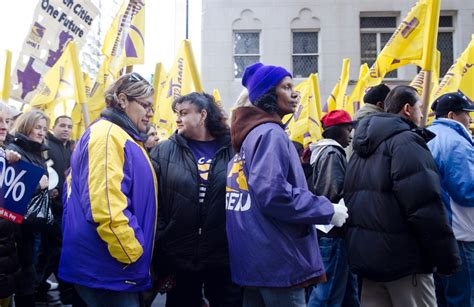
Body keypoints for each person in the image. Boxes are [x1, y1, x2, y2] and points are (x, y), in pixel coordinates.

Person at [226, 62, 348, 307]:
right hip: (278, 260)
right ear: (268, 94)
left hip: (256, 259)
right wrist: (327, 210)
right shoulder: (270, 133)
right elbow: (274, 195)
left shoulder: (250, 136)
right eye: (286, 87)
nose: (295, 93)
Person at [344, 85, 461, 307]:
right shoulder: (406, 141)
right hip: (406, 263)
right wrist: (447, 258)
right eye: (419, 107)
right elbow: (424, 206)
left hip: (370, 261)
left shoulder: (361, 148)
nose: (422, 113)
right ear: (407, 109)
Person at [58, 73, 158, 307]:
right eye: (146, 105)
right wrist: (133, 253)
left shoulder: (119, 136)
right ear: (123, 100)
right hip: (109, 266)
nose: (151, 113)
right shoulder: (107, 136)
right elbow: (105, 206)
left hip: (108, 266)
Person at [150, 92, 241, 307]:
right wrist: (163, 235)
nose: (178, 119)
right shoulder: (163, 151)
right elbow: (155, 202)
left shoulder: (233, 149)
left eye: (183, 113)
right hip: (178, 254)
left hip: (223, 255)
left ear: (202, 114)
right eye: (176, 114)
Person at [426, 92, 474, 307]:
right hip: (461, 232)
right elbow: (467, 191)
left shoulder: (425, 136)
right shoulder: (456, 143)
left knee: (440, 298)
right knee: (463, 297)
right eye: (467, 114)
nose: (470, 119)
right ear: (453, 115)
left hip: (434, 230)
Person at [308, 110, 359, 307]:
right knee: (326, 296)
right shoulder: (331, 153)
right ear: (337, 131)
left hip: (330, 233)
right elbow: (331, 194)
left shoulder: (321, 151)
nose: (351, 135)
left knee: (347, 293)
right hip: (333, 233)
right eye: (348, 129)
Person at [7, 110, 50, 307]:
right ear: (26, 126)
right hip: (17, 230)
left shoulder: (36, 151)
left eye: (44, 128)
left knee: (27, 278)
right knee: (21, 280)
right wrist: (37, 186)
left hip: (30, 227)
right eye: (38, 127)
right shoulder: (14, 151)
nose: (42, 132)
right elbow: (11, 190)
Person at [35, 115, 80, 305]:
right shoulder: (47, 147)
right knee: (53, 251)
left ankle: (39, 288)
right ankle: (61, 292)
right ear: (53, 127)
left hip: (63, 210)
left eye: (69, 126)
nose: (66, 129)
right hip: (50, 212)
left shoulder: (68, 150)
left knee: (51, 252)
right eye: (62, 125)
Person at [0, 102, 22, 307]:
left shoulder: (7, 157)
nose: (4, 126)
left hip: (6, 252)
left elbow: (12, 210)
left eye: (7, 121)